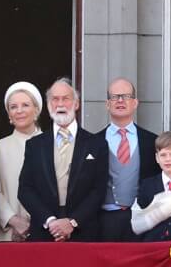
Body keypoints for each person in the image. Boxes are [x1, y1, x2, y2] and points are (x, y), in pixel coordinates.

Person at [17, 79, 107, 242]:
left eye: (65, 98)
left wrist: (72, 222)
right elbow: (25, 189)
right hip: (45, 233)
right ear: (49, 105)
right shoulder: (34, 145)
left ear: (76, 104)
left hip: (84, 233)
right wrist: (51, 221)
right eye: (55, 99)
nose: (60, 104)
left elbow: (99, 190)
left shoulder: (96, 144)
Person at [96, 78, 159, 242]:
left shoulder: (152, 141)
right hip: (104, 221)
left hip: (142, 219)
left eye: (126, 96)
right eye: (115, 97)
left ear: (135, 103)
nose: (120, 101)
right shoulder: (93, 142)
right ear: (107, 104)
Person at [0, 81, 43, 241]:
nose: (19, 111)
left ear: (36, 110)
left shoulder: (54, 145)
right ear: (9, 115)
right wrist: (13, 220)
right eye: (13, 107)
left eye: (25, 105)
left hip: (47, 232)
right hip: (9, 235)